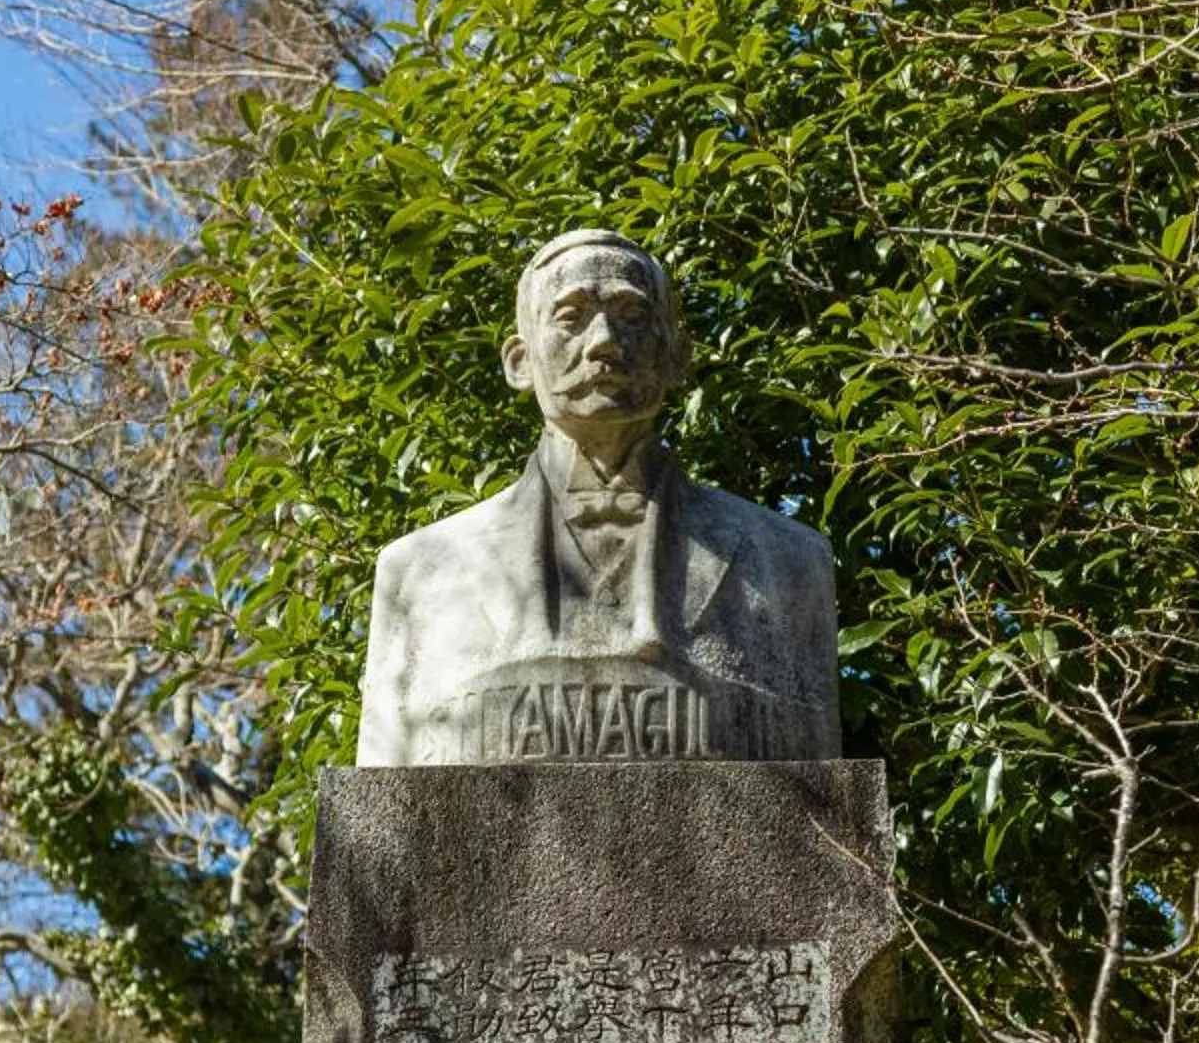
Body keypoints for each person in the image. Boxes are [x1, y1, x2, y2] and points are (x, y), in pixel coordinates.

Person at [355, 230, 842, 765]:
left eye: (631, 314)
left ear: (677, 356)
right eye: (570, 317)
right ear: (519, 362)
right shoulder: (419, 573)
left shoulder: (790, 561)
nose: (603, 342)